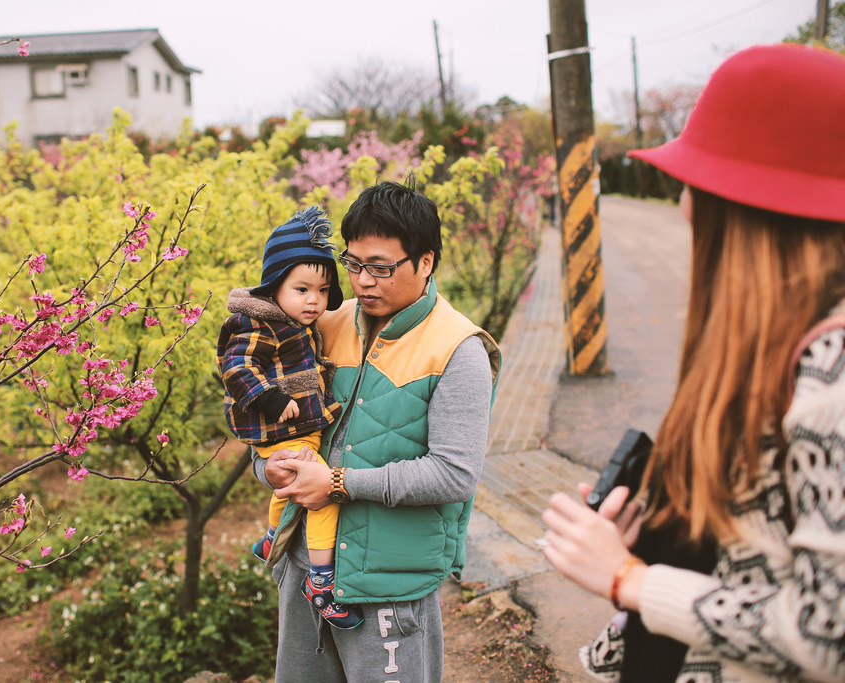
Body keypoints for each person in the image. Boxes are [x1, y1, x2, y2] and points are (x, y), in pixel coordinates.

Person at [541, 43, 845, 682]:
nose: (682, 203)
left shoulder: (831, 375)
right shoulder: (778, 344)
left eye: (695, 182)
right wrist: (649, 543)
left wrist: (631, 579)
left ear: (748, 209)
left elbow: (828, 633)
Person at [253, 178, 502, 682]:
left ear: (425, 261)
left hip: (390, 586)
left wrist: (338, 484)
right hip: (305, 567)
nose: (363, 281)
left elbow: (453, 475)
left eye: (381, 268)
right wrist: (269, 467)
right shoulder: (323, 324)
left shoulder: (459, 350)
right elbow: (271, 419)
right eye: (354, 264)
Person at [217, 206, 363, 630]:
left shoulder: (297, 323)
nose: (313, 300)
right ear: (275, 286)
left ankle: (270, 540)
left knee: (288, 490)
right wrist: (271, 398)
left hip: (295, 429)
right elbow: (235, 368)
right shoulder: (259, 324)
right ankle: (321, 582)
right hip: (279, 426)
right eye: (301, 289)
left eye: (322, 290)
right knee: (322, 497)